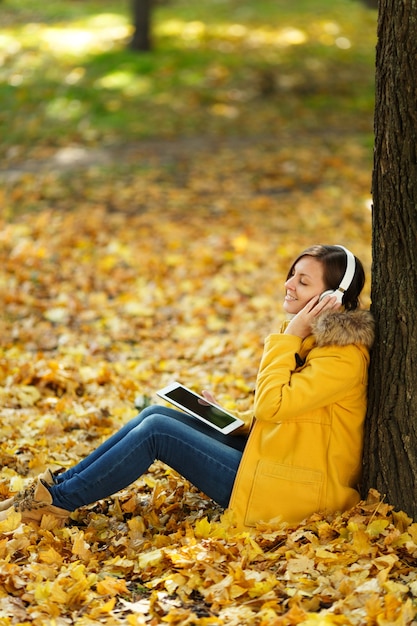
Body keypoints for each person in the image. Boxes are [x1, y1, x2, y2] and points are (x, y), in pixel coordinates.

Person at [0, 244, 374, 529]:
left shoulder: (341, 356)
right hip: (273, 464)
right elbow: (291, 415)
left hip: (295, 492)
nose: (288, 285)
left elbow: (274, 406)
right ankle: (52, 490)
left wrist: (288, 338)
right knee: (156, 413)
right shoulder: (311, 340)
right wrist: (228, 418)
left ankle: (53, 504)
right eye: (292, 275)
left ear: (332, 300)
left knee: (158, 432)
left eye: (303, 281)